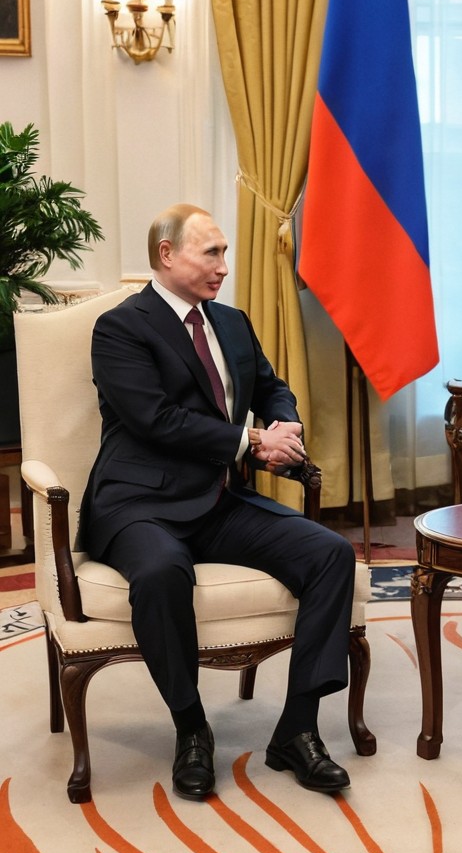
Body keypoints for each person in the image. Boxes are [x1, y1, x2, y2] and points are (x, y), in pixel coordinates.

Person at [81, 203, 357, 801]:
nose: (224, 267)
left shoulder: (230, 322)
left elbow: (270, 387)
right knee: (158, 572)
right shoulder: (121, 328)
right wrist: (253, 439)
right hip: (139, 503)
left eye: (225, 253)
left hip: (219, 498)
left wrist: (284, 425)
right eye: (212, 253)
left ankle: (297, 729)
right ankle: (191, 728)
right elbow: (155, 420)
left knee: (330, 554)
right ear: (166, 254)